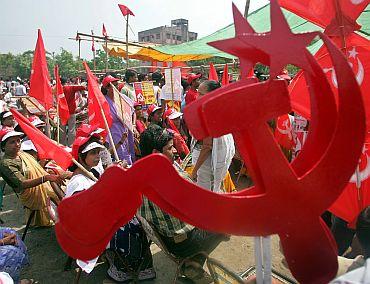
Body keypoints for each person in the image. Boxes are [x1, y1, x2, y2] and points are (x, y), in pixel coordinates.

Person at [139, 124, 227, 282]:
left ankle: (193, 263)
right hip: (183, 243)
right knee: (226, 223)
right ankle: (194, 261)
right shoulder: (173, 178)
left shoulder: (137, 174)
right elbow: (200, 206)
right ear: (155, 153)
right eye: (169, 148)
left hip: (165, 239)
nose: (174, 151)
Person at [66, 136, 155, 282]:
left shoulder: (91, 171)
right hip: (91, 228)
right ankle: (122, 269)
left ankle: (140, 267)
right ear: (82, 157)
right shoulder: (77, 182)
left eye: (97, 152)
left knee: (136, 220)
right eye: (92, 153)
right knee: (131, 227)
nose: (97, 156)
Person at [0, 128, 64, 226]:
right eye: (12, 142)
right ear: (3, 147)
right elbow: (22, 184)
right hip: (28, 193)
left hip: (41, 185)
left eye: (18, 140)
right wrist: (45, 178)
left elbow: (37, 169)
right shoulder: (6, 163)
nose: (17, 144)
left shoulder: (22, 154)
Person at [190, 80, 235, 193]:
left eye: (200, 94)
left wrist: (194, 171)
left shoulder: (208, 115)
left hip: (205, 165)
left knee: (205, 194)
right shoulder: (218, 109)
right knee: (211, 191)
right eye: (197, 92)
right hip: (206, 162)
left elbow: (207, 146)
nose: (197, 96)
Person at [101, 75, 136, 165]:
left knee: (129, 152)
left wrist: (133, 124)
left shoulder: (123, 97)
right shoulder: (103, 101)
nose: (116, 87)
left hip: (126, 129)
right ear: (107, 88)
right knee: (119, 154)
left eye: (117, 85)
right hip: (113, 131)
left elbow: (133, 111)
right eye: (113, 85)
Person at [60, 78, 87, 146]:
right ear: (67, 81)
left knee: (62, 129)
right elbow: (83, 87)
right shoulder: (71, 87)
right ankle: (71, 144)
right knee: (71, 129)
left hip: (62, 111)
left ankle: (62, 144)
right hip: (71, 111)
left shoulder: (58, 89)